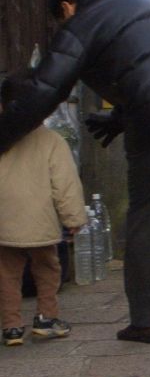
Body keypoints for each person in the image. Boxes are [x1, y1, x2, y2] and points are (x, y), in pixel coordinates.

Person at [0, 0, 150, 344]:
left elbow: (44, 90)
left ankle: (148, 320)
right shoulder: (144, 0)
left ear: (67, 7)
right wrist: (119, 117)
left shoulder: (79, 24)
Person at [0, 73, 87, 347]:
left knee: (6, 274)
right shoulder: (51, 141)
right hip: (41, 222)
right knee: (48, 269)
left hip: (4, 221)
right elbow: (65, 184)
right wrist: (73, 217)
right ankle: (46, 318)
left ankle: (12, 327)